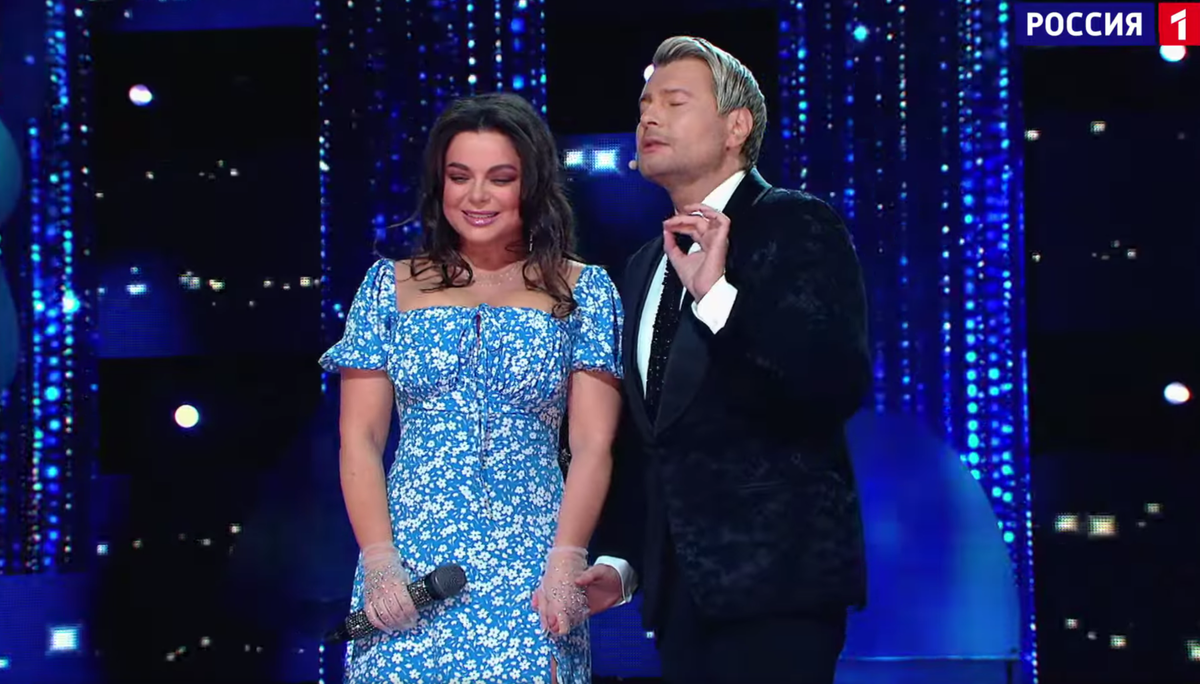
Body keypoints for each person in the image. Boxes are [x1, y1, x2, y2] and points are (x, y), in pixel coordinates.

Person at [578, 36, 872, 684]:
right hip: (680, 603)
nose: (649, 117)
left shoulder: (795, 223)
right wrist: (623, 559)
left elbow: (832, 381)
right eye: (644, 105)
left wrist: (717, 297)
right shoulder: (644, 265)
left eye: (673, 102)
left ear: (736, 127)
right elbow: (652, 439)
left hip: (780, 589)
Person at [319, 91, 624, 684]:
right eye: (460, 177)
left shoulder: (584, 291)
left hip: (532, 559)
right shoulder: (387, 288)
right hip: (412, 558)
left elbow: (592, 444)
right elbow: (359, 439)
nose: (476, 196)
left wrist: (567, 559)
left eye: (499, 178)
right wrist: (380, 561)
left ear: (531, 184)